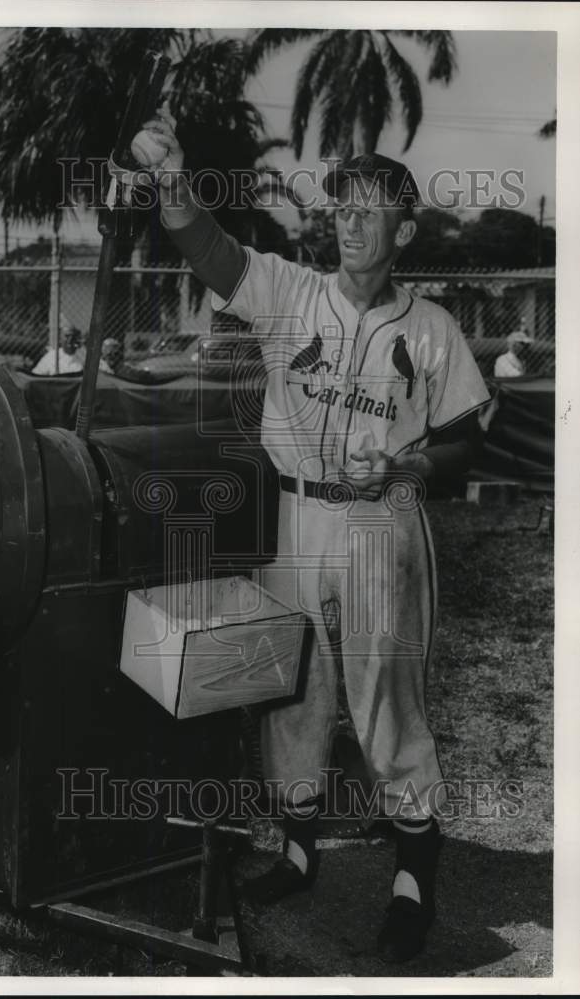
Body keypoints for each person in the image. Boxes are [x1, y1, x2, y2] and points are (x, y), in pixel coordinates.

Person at [133, 108, 490, 963]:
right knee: (288, 685)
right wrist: (171, 181)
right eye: (341, 207)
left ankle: (414, 868)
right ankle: (295, 845)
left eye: (369, 209)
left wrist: (404, 471)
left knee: (383, 695)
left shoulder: (431, 330)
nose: (350, 222)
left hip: (378, 524)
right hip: (291, 513)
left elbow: (467, 437)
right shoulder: (292, 291)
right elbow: (209, 250)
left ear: (403, 228)